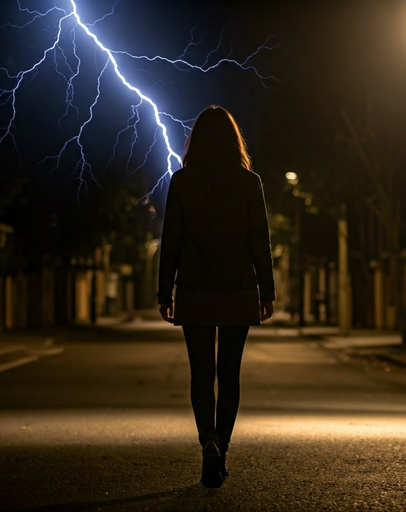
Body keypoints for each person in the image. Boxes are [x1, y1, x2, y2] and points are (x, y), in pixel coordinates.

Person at [157, 105, 275, 488]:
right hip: (239, 289)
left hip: (194, 290)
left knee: (201, 374)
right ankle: (220, 447)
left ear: (196, 142)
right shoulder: (249, 182)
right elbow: (260, 241)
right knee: (229, 374)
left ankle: (207, 441)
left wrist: (164, 291)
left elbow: (171, 239)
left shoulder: (182, 181)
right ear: (233, 141)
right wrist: (267, 291)